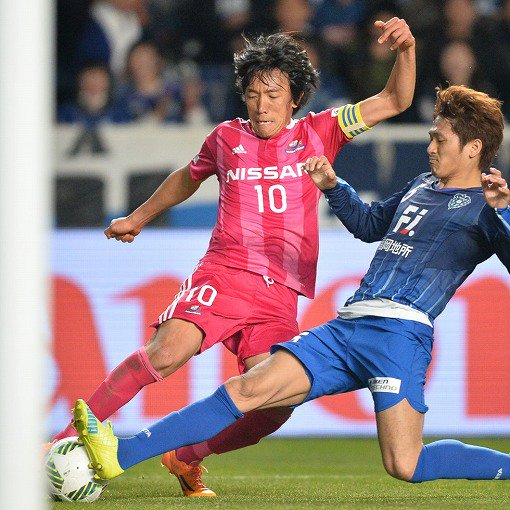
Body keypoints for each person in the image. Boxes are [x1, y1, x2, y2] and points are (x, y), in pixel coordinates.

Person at [73, 85, 510, 484]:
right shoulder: (422, 185)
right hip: (350, 326)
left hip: (400, 336)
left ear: (473, 148)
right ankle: (121, 454)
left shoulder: (488, 207)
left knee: (405, 464)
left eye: (440, 139)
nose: (430, 146)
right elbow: (369, 225)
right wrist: (334, 186)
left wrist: (504, 214)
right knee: (248, 389)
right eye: (432, 137)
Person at [53, 19, 417, 496]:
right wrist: (138, 217)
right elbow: (188, 177)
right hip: (225, 273)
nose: (262, 105)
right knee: (166, 353)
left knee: (275, 405)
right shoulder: (226, 138)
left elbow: (395, 99)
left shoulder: (323, 130)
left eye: (273, 94)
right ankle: (62, 441)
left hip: (281, 294)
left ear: (294, 98)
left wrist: (406, 49)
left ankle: (187, 456)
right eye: (253, 94)